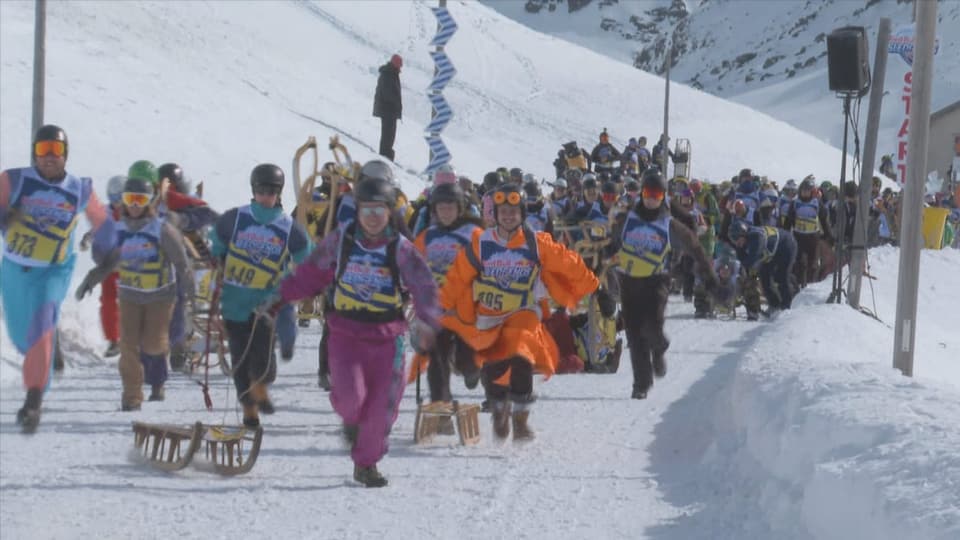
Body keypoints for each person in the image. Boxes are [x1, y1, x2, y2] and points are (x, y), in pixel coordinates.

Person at [275, 170, 441, 488]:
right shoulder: (342, 240)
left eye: (380, 210)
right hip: (346, 335)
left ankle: (366, 463)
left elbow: (423, 286)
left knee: (383, 407)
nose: (374, 217)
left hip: (387, 337)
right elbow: (311, 272)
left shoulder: (400, 248)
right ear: (358, 210)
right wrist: (279, 296)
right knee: (351, 398)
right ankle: (353, 422)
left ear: (390, 211)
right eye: (367, 210)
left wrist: (427, 323)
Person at [439, 184, 599, 440]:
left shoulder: (536, 243)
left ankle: (521, 419)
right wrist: (442, 303)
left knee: (521, 355)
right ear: (495, 214)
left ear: (522, 214)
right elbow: (459, 275)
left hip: (524, 312)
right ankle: (499, 410)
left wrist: (592, 284)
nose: (509, 216)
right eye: (504, 211)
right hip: (489, 317)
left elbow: (567, 261)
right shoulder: (482, 243)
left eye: (514, 211)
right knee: (493, 369)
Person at [0, 125, 109, 432]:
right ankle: (42, 361)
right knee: (22, 336)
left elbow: (102, 221)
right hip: (14, 268)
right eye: (43, 150)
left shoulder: (79, 188)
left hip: (53, 270)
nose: (49, 157)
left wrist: (100, 238)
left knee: (42, 326)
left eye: (56, 151)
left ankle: (34, 400)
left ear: (65, 155)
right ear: (35, 153)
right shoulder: (14, 179)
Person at [76, 166, 194, 409]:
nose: (135, 205)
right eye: (130, 199)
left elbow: (182, 262)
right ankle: (132, 396)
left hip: (160, 296)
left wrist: (190, 290)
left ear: (150, 201)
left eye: (140, 200)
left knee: (152, 344)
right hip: (130, 296)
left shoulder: (162, 230)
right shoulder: (119, 231)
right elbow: (110, 263)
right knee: (129, 346)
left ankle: (157, 382)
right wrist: (91, 280)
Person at [209, 164, 311, 428]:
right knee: (240, 359)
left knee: (264, 361)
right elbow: (216, 243)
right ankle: (249, 409)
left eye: (271, 191)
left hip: (265, 304)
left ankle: (260, 387)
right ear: (253, 191)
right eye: (261, 190)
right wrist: (217, 260)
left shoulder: (289, 227)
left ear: (279, 193)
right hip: (234, 302)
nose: (266, 196)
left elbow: (307, 259)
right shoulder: (236, 218)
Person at [610, 170, 718, 399]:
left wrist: (710, 277)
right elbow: (612, 243)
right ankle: (641, 384)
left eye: (656, 194)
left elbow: (695, 248)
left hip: (655, 282)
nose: (651, 198)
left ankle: (659, 348)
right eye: (648, 193)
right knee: (635, 335)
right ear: (641, 194)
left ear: (663, 197)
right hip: (628, 283)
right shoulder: (627, 218)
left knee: (652, 329)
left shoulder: (669, 224)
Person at [411, 183, 483, 432]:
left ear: (460, 207)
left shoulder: (473, 233)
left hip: (465, 312)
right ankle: (442, 413)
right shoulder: (427, 236)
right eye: (441, 207)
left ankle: (473, 369)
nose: (445, 211)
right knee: (436, 359)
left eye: (450, 206)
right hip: (436, 311)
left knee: (467, 360)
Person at [728, 221, 797, 314]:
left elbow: (753, 257)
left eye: (737, 238)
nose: (736, 242)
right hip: (771, 253)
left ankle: (787, 307)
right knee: (764, 277)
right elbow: (742, 260)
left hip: (787, 245)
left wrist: (744, 269)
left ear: (743, 234)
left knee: (781, 277)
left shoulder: (756, 237)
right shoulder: (741, 243)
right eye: (733, 240)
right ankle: (774, 305)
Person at [373, 54, 403, 161]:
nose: (400, 68)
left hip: (390, 111)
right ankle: (385, 155)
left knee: (390, 135)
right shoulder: (388, 74)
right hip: (387, 111)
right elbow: (387, 94)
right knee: (387, 135)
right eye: (399, 66)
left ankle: (387, 154)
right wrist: (395, 103)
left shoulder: (391, 73)